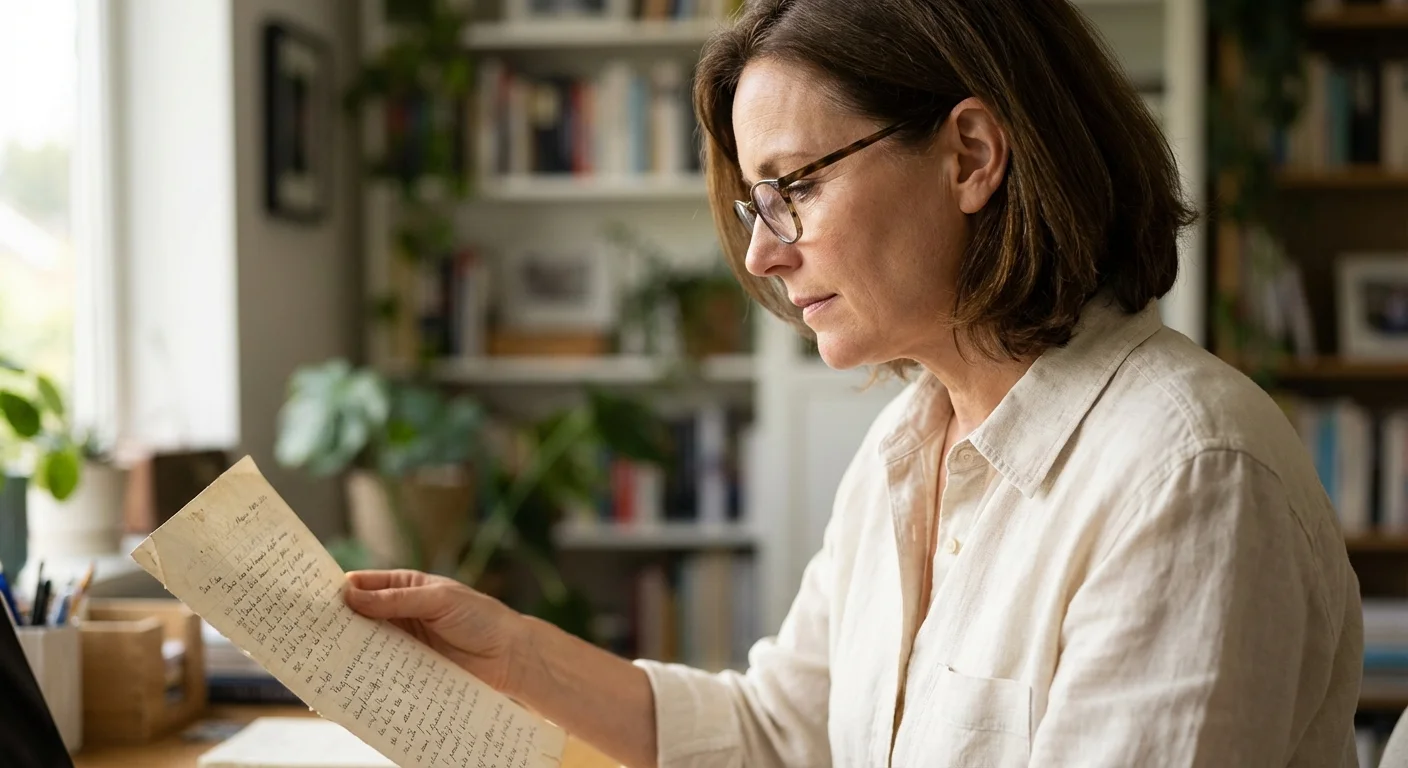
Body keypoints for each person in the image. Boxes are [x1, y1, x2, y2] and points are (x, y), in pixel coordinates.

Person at [345, 0, 1363, 765]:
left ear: (970, 155)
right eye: (753, 203)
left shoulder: (1186, 476)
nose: (759, 255)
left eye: (793, 186)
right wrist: (514, 652)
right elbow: (777, 732)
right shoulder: (907, 442)